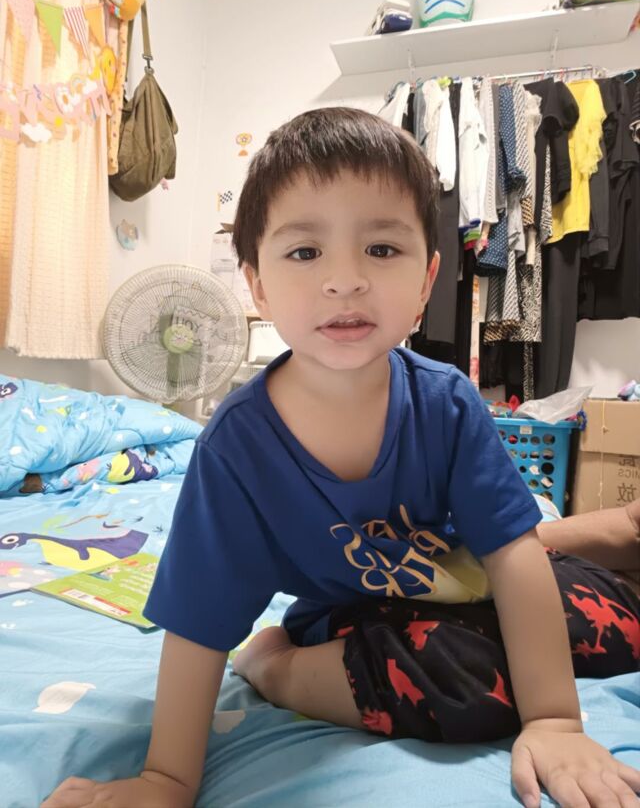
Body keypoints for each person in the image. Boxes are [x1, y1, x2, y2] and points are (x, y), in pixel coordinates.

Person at [43, 108, 640, 808]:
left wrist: (556, 721)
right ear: (256, 285)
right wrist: (166, 779)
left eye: (382, 249)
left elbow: (514, 558)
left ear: (428, 279)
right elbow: (199, 620)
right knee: (456, 681)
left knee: (614, 623)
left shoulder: (448, 402)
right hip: (353, 618)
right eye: (305, 252)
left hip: (458, 582)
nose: (345, 280)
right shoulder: (236, 448)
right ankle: (276, 666)